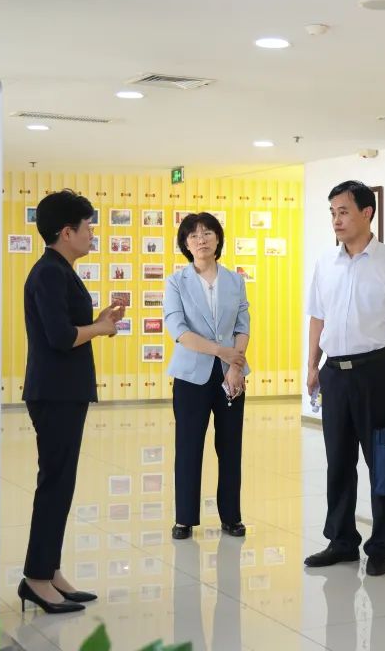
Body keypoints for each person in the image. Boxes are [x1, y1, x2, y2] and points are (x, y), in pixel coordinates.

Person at [304, 180, 385, 577]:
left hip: (377, 372)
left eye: (343, 211)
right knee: (338, 463)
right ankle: (341, 542)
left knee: (381, 463)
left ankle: (382, 548)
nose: (336, 220)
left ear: (366, 212)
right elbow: (318, 317)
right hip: (334, 374)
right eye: (333, 213)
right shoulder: (325, 263)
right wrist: (312, 365)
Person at [19, 190, 125, 614]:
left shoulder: (59, 270)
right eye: (88, 226)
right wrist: (99, 328)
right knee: (54, 483)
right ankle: (35, 578)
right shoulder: (49, 272)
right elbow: (61, 337)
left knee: (61, 484)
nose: (92, 233)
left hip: (64, 390)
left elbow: (67, 327)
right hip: (55, 392)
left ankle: (49, 570)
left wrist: (98, 322)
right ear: (67, 232)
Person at [164, 212, 251, 540]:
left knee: (230, 448)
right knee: (188, 447)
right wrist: (222, 352)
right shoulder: (176, 282)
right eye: (193, 235)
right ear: (185, 244)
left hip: (231, 376)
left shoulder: (235, 281)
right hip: (191, 376)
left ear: (218, 239)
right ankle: (184, 518)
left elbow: (243, 325)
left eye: (207, 233)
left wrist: (235, 366)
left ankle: (231, 516)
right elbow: (179, 330)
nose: (201, 240)